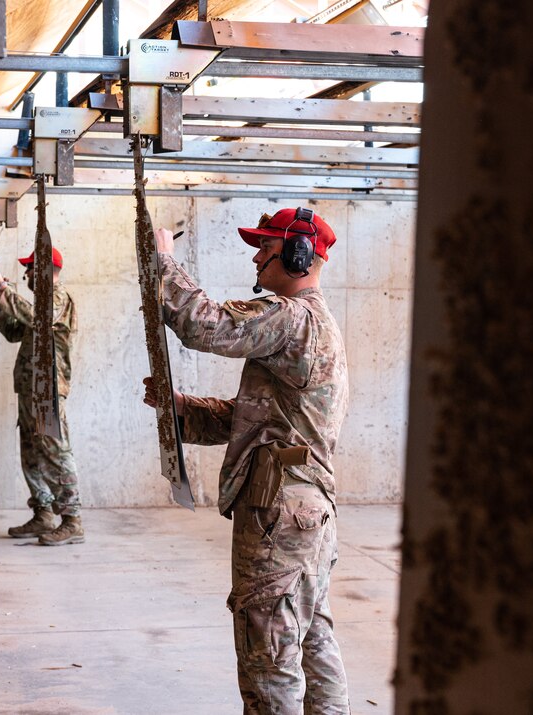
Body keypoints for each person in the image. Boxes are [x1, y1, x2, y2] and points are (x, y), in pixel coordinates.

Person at [143, 208, 350, 714]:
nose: (256, 258)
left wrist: (163, 263)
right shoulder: (313, 325)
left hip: (281, 514)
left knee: (269, 656)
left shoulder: (291, 316)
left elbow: (204, 326)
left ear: (299, 256)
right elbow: (258, 418)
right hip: (307, 513)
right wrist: (184, 411)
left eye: (266, 247)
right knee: (309, 638)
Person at [0, 247, 83, 546]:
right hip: (30, 388)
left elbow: (37, 318)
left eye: (30, 268)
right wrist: (1, 304)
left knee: (55, 451)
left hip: (48, 389)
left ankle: (72, 520)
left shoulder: (57, 297)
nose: (26, 274)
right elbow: (16, 331)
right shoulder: (40, 302)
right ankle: (43, 513)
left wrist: (4, 288)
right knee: (31, 452)